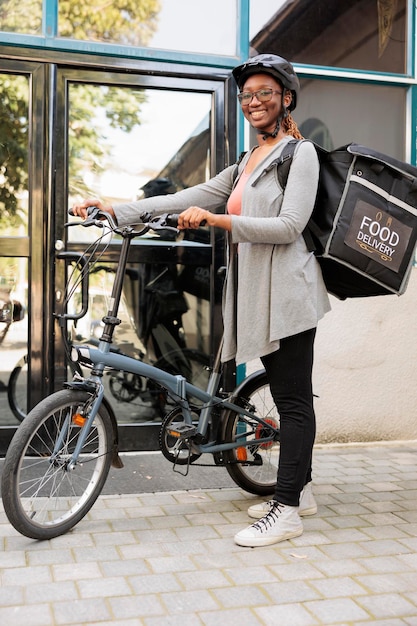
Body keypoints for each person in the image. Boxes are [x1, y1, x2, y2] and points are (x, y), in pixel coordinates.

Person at [72, 53, 331, 548]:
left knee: (293, 401)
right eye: (247, 95)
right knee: (284, 394)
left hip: (290, 294)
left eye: (265, 93)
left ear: (286, 99)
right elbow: (184, 196)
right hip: (258, 293)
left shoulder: (301, 155)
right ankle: (305, 489)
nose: (254, 102)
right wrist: (117, 207)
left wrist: (219, 222)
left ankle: (289, 509)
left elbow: (291, 226)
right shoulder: (244, 164)